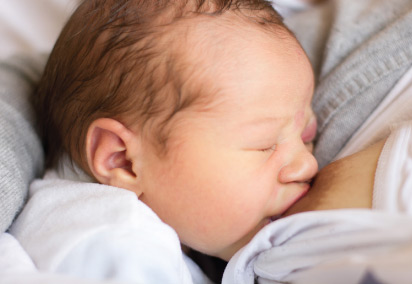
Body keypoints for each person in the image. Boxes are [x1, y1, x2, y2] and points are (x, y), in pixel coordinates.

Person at [9, 0, 319, 282]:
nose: (308, 164)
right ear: (122, 160)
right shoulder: (119, 245)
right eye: (265, 144)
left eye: (307, 136)